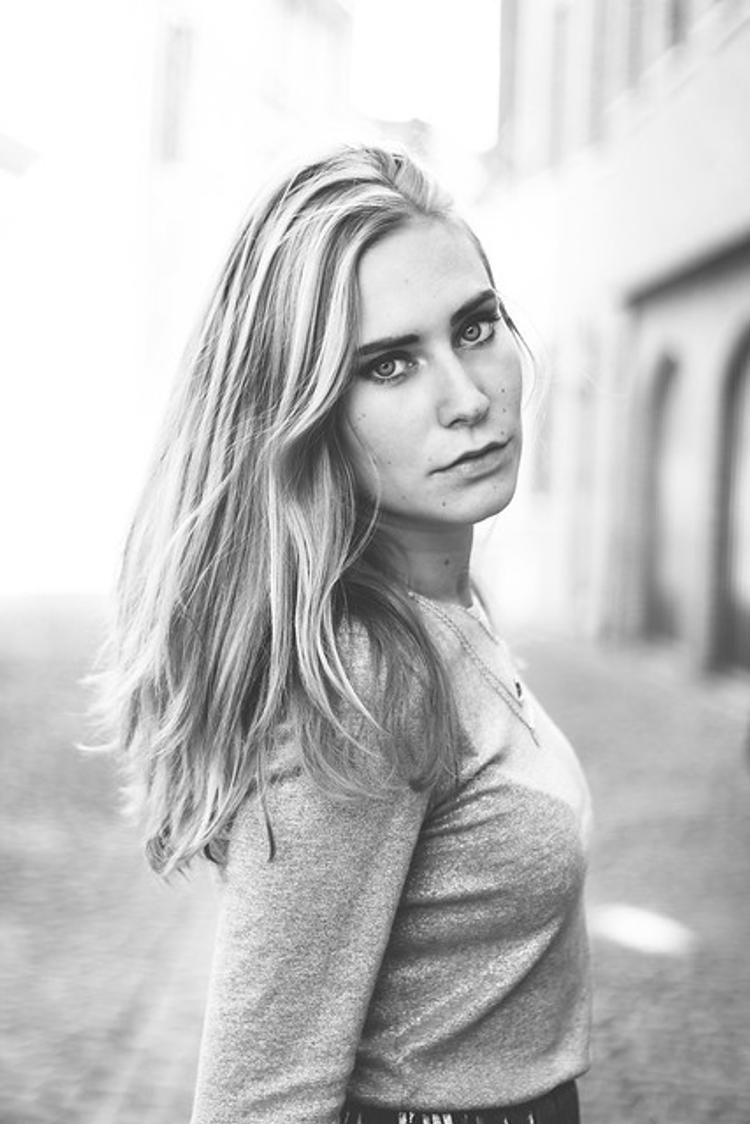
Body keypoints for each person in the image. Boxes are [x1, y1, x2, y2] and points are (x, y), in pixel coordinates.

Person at [96, 144, 592, 1124]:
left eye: (476, 327)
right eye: (389, 364)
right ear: (304, 408)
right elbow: (258, 1100)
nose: (467, 397)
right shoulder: (368, 682)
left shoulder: (447, 614)